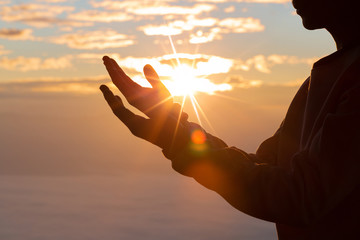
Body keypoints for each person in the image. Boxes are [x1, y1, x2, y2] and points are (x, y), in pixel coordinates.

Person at [99, 0, 360, 238]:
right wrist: (176, 132)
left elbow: (301, 196)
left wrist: (176, 137)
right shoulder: (325, 78)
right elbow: (266, 167)